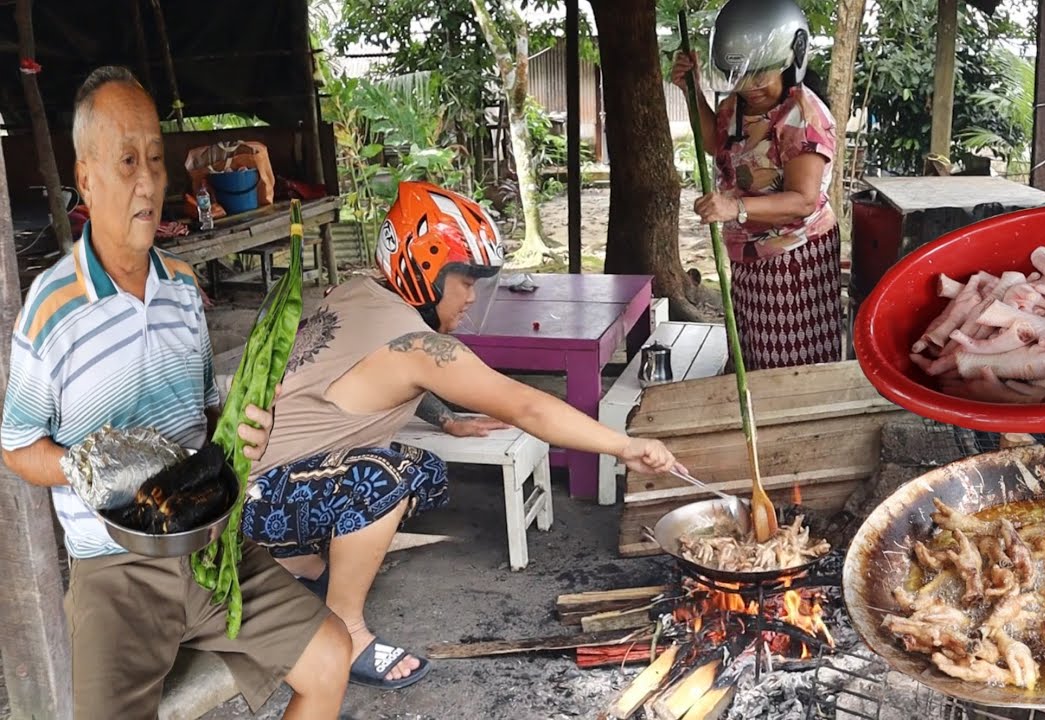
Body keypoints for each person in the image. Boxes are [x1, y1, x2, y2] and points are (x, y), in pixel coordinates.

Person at [0, 67, 351, 719]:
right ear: (87, 177)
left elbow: (205, 421)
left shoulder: (184, 289)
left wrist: (243, 437)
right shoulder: (51, 310)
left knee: (331, 656)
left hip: (208, 544)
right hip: (115, 572)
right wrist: (87, 468)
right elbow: (17, 449)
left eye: (156, 159)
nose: (146, 180)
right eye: (126, 159)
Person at [241, 180, 682, 690]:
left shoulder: (357, 290)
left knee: (420, 468)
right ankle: (346, 631)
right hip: (254, 503)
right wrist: (625, 446)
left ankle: (296, 560)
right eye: (465, 280)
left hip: (257, 477)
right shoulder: (419, 345)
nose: (473, 297)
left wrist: (446, 419)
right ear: (425, 271)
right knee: (382, 480)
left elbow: (375, 375)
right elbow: (525, 406)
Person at [671, 0, 843, 371]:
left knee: (787, 366)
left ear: (791, 60)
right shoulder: (737, 104)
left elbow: (803, 200)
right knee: (753, 355)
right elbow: (717, 144)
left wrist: (736, 208)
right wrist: (692, 89)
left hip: (794, 256)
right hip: (749, 253)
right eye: (741, 76)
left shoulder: (803, 115)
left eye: (759, 76)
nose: (749, 87)